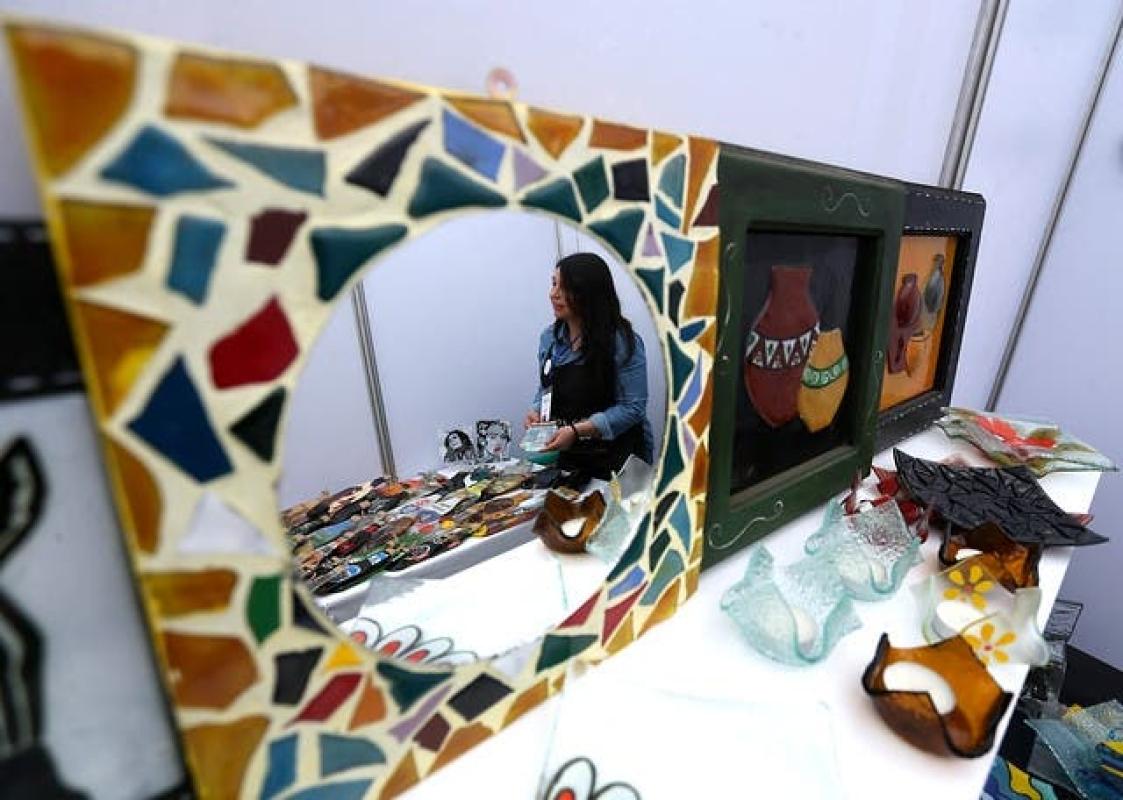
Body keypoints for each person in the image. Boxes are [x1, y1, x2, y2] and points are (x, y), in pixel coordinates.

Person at [526, 252, 654, 479]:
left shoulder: (622, 341)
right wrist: (536, 410)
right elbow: (546, 387)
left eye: (565, 288)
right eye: (554, 284)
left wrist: (577, 431)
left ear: (589, 293)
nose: (553, 294)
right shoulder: (549, 339)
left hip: (619, 460)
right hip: (571, 458)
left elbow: (632, 408)